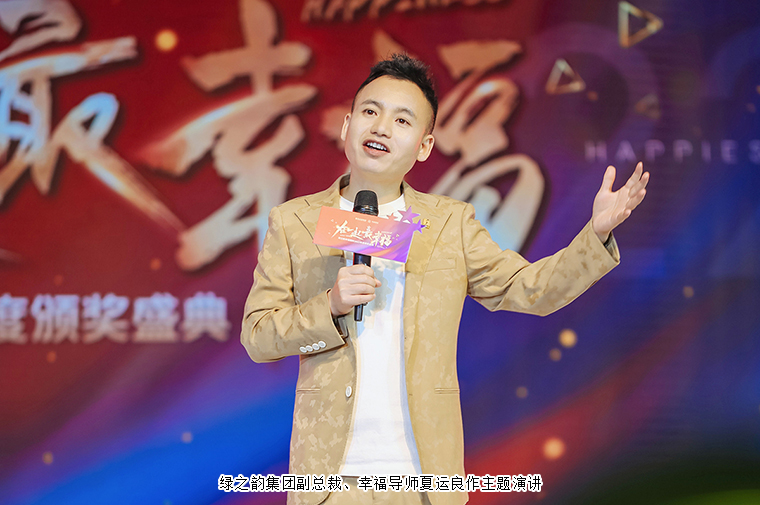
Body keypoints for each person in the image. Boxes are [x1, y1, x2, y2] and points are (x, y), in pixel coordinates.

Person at [241, 54, 649, 505]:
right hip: (328, 480)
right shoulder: (294, 221)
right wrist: (329, 306)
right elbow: (258, 336)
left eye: (402, 120)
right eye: (371, 111)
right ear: (347, 125)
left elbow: (531, 289)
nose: (381, 128)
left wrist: (595, 234)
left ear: (424, 146)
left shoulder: (449, 225)